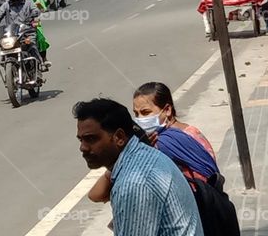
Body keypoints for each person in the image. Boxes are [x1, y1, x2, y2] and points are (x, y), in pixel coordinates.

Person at [74, 98, 204, 236]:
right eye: (81, 140)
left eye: (91, 139)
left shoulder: (134, 183)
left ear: (119, 137)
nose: (83, 147)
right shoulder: (141, 154)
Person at [0, 0, 45, 68]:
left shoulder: (29, 2)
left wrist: (33, 15)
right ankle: (5, 61)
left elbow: (36, 10)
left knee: (32, 45)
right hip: (12, 33)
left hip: (27, 31)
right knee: (4, 45)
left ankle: (40, 63)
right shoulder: (6, 5)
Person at [24, 0, 51, 68]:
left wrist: (39, 6)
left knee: (41, 39)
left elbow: (43, 10)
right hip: (22, 25)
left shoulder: (38, 0)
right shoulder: (21, 0)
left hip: (35, 24)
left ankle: (44, 59)